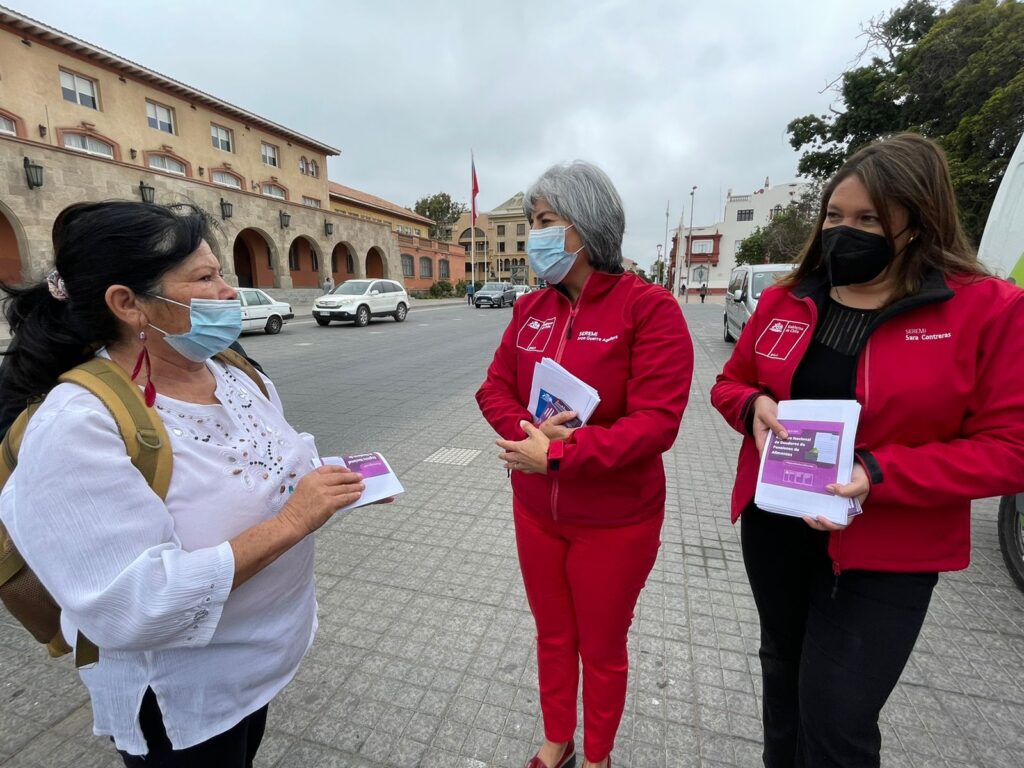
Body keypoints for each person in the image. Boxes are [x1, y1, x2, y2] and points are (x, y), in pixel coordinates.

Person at [0, 201, 369, 766]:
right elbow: (131, 604)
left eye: (223, 272)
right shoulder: (77, 426)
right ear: (128, 304)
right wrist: (296, 519)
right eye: (205, 277)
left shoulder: (233, 373)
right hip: (180, 702)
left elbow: (267, 459)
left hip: (257, 667)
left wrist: (328, 483)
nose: (230, 291)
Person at [710, 133, 1024, 767]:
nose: (842, 232)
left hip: (889, 553)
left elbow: (1010, 448)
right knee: (783, 684)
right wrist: (752, 408)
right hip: (778, 531)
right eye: (834, 215)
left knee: (836, 720)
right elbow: (730, 382)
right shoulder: (785, 300)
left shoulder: (987, 310)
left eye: (867, 219)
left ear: (917, 221)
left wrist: (877, 472)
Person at [476, 161, 693, 768]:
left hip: (615, 519)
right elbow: (492, 388)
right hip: (536, 511)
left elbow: (657, 423)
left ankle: (597, 756)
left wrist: (563, 453)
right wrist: (530, 437)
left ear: (588, 225)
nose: (532, 236)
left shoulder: (649, 310)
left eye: (545, 221)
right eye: (530, 223)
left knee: (600, 647)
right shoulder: (530, 311)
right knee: (552, 635)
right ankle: (557, 740)